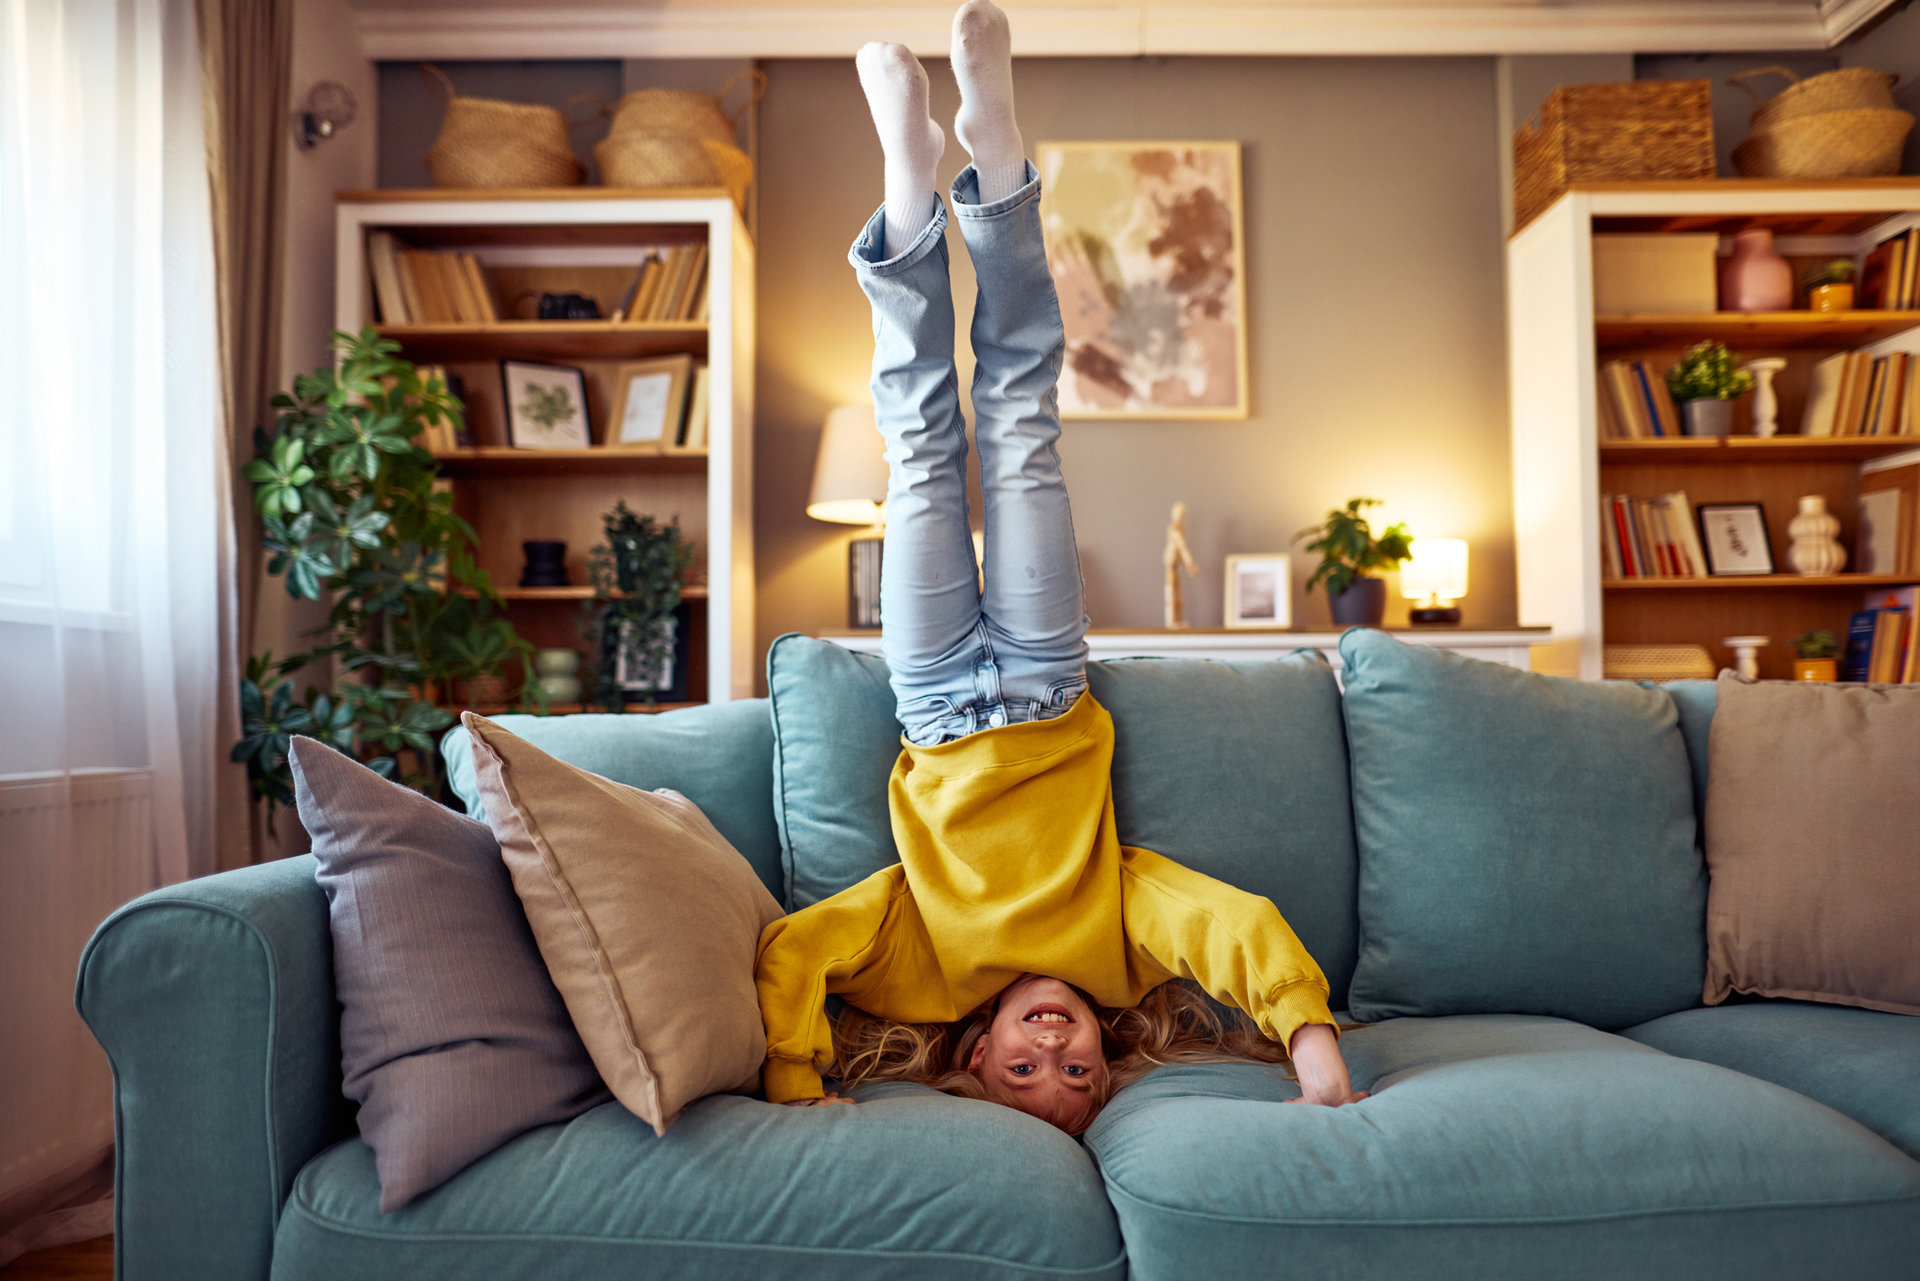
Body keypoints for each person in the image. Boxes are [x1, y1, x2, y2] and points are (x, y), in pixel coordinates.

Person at [753, 0, 1366, 1136]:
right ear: (1101, 1048)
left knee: (923, 448)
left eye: (1019, 1073)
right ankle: (995, 156)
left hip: (933, 697)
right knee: (1024, 417)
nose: (1052, 1052)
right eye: (1078, 1074)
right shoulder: (1122, 949)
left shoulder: (914, 971)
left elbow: (796, 950)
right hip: (1044, 677)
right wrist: (1310, 1041)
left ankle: (904, 186)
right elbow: (1229, 924)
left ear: (973, 1049)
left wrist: (794, 1076)